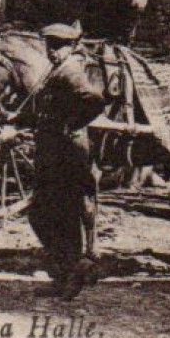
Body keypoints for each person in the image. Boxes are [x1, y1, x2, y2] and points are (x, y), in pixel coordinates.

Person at [29, 21, 107, 300]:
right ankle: (63, 274)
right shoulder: (56, 70)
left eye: (58, 46)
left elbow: (94, 100)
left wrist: (71, 124)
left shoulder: (72, 70)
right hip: (52, 152)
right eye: (50, 45)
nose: (53, 51)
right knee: (43, 213)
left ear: (71, 46)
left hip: (68, 154)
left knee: (58, 214)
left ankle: (69, 278)